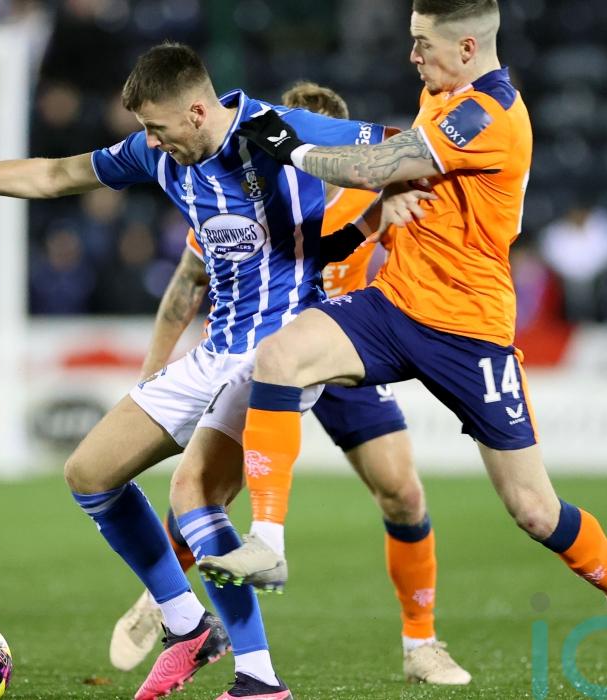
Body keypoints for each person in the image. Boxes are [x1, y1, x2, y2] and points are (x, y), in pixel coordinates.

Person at [0, 42, 423, 700]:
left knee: (193, 495)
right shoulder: (159, 154)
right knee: (89, 473)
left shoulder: (274, 130)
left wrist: (392, 191)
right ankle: (188, 626)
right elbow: (56, 176)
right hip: (215, 350)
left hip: (281, 351)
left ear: (197, 111)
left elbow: (406, 146)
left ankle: (260, 680)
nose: (149, 141)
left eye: (156, 127)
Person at [195, 0, 607, 692]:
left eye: (423, 44)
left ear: (467, 49)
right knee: (281, 356)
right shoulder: (442, 91)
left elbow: (380, 161)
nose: (412, 56)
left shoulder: (488, 113)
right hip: (395, 305)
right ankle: (267, 542)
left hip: (471, 331)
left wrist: (288, 145)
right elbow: (388, 160)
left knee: (534, 510)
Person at [109, 82, 469, 686]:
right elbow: (189, 282)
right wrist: (153, 370)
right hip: (265, 357)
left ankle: (421, 644)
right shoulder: (244, 193)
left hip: (345, 352)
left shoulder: (371, 194)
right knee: (207, 488)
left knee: (404, 495)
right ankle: (165, 600)